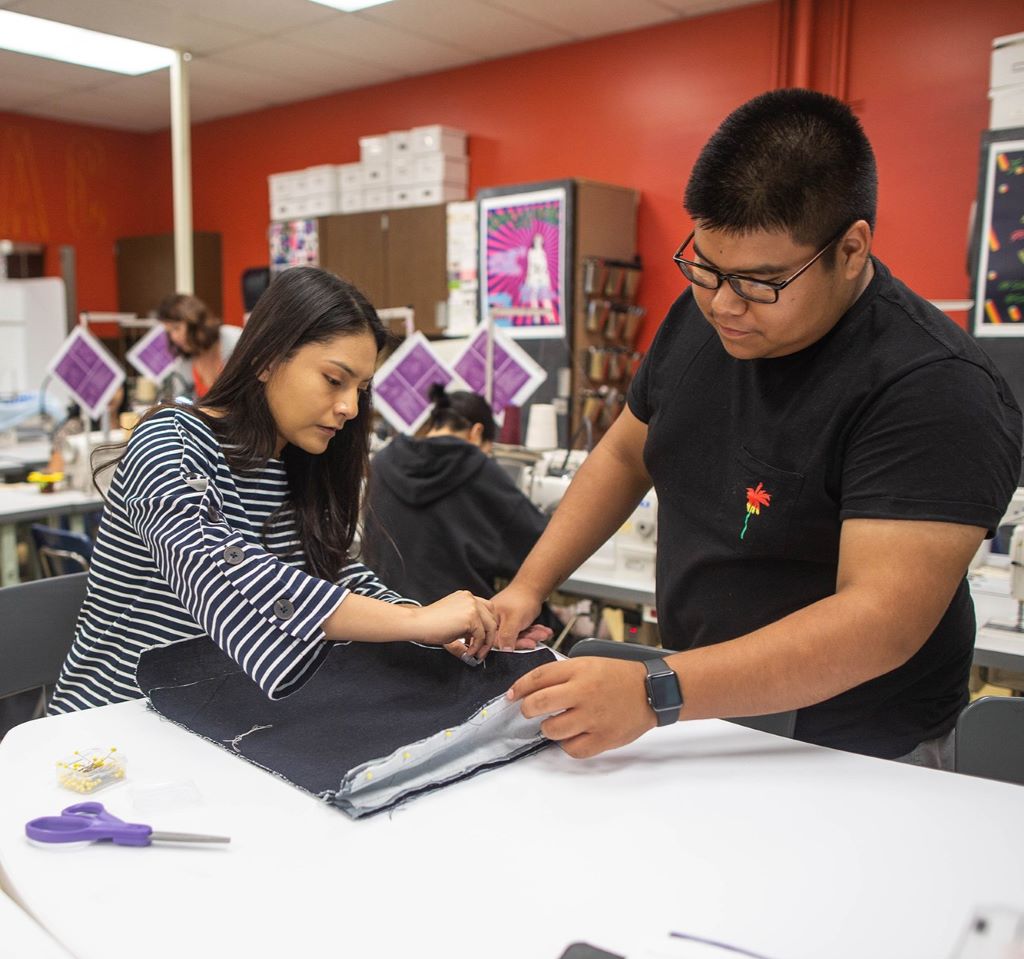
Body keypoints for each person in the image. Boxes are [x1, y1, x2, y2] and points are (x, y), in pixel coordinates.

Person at [495, 88, 1023, 768]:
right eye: (706, 269)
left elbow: (878, 622)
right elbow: (627, 454)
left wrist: (656, 690)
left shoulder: (933, 387)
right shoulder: (703, 317)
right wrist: (528, 585)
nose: (722, 304)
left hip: (857, 747)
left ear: (852, 249)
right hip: (705, 709)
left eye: (759, 282)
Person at [50, 267, 499, 714]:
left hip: (211, 713)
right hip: (110, 722)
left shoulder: (293, 463)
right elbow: (217, 565)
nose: (349, 407)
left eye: (360, 389)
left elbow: (330, 573)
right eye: (333, 380)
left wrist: (431, 626)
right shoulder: (171, 439)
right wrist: (413, 621)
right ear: (267, 359)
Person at [361, 385, 551, 606]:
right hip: (457, 624)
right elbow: (539, 543)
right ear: (477, 433)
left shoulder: (382, 462)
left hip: (386, 617)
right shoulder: (478, 468)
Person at [157, 293, 242, 401]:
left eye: (176, 328)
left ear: (195, 322)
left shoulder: (236, 340)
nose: (174, 337)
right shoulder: (182, 367)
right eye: (169, 332)